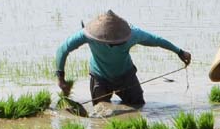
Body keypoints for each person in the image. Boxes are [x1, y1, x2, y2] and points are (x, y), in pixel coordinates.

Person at [55, 10, 191, 108]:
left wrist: (179, 52)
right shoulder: (87, 35)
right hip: (100, 77)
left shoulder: (133, 34)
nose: (115, 43)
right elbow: (62, 49)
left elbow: (156, 40)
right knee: (100, 110)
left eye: (118, 41)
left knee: (138, 106)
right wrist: (61, 78)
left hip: (126, 76)